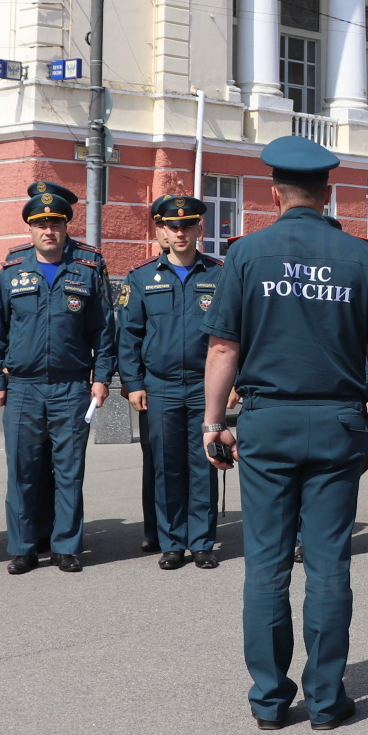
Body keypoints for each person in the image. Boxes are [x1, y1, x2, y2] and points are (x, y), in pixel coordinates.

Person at [201, 135, 368, 731]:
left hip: (267, 422)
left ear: (274, 193)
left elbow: (222, 347)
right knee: (327, 565)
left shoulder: (246, 255)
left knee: (266, 564)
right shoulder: (360, 257)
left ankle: (269, 701)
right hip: (339, 424)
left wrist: (214, 421)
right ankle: (324, 700)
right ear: (329, 193)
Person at [0, 182, 114, 574]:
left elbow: (104, 330)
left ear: (65, 226)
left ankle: (66, 546)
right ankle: (23, 547)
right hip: (23, 386)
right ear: (29, 228)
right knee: (23, 470)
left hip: (72, 385)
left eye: (55, 223)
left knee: (69, 470)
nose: (48, 231)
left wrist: (102, 376)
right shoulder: (12, 270)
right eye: (40, 224)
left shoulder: (87, 268)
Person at [118, 195, 225, 570]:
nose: (180, 233)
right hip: (160, 386)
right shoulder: (142, 277)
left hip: (204, 385)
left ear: (200, 229)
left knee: (204, 462)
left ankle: (202, 542)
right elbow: (129, 336)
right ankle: (172, 541)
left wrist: (234, 383)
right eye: (172, 227)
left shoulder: (219, 275)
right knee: (166, 466)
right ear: (161, 230)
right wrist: (132, 383)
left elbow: (233, 336)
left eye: (187, 226)